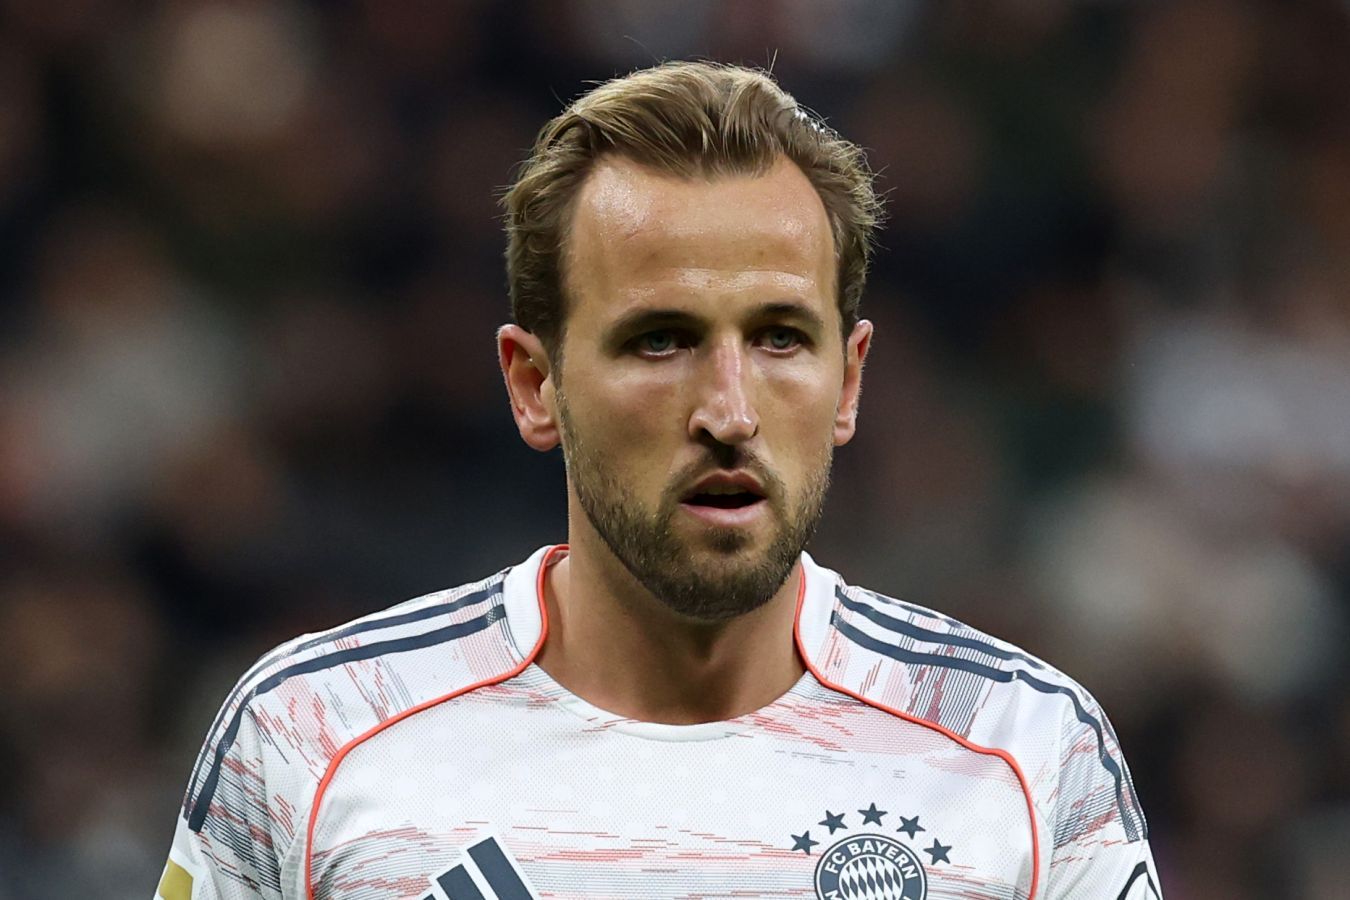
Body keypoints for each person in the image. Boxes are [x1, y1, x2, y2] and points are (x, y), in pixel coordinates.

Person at [155, 61, 1161, 900]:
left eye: (779, 337)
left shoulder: (1022, 751)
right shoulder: (313, 738)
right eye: (660, 340)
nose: (729, 410)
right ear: (535, 385)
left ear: (849, 382)